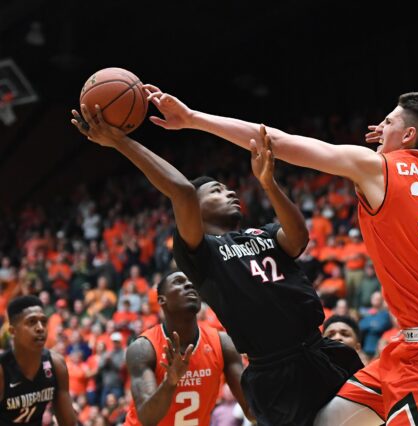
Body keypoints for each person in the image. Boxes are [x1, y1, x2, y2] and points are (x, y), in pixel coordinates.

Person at [142, 85, 418, 425]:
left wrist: (192, 118)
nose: (379, 126)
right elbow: (417, 155)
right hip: (417, 346)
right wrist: (396, 137)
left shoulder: (376, 167)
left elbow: (277, 141)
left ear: (408, 133)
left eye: (387, 121)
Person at [71, 106, 362, 426]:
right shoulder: (200, 252)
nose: (230, 192)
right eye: (217, 191)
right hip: (276, 372)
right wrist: (120, 142)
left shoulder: (261, 232)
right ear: (196, 207)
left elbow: (297, 239)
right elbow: (180, 191)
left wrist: (269, 184)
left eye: (227, 188)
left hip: (320, 349)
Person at [122, 270, 251, 425]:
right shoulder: (143, 349)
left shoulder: (223, 344)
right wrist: (170, 382)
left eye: (191, 281)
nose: (189, 284)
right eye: (178, 281)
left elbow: (252, 412)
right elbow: (147, 419)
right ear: (162, 300)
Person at [0, 295, 76, 425]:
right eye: (31, 322)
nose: (40, 328)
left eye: (44, 322)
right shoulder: (2, 369)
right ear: (13, 331)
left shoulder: (56, 365)